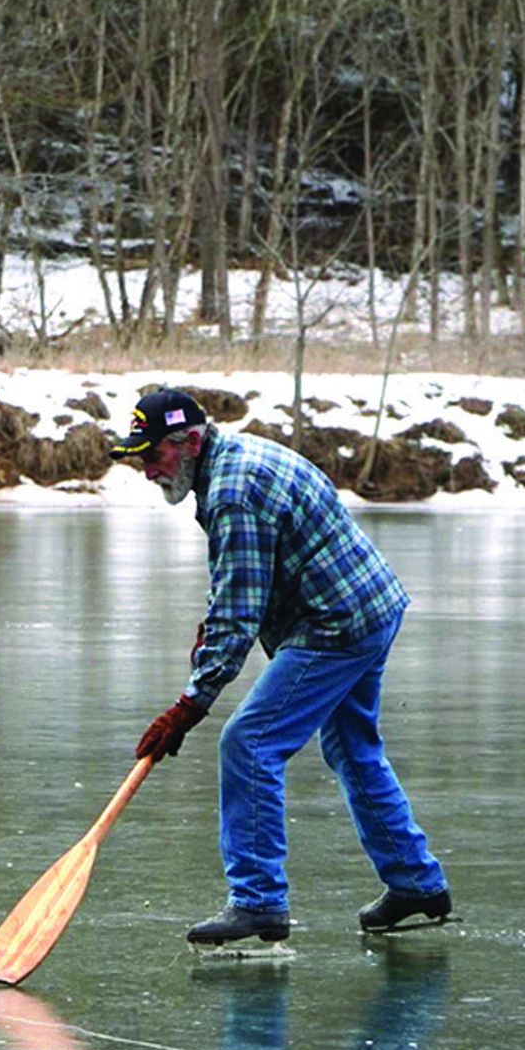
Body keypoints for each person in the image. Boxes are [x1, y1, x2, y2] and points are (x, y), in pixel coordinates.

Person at [110, 388, 452, 947]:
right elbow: (242, 581)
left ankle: (258, 902)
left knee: (248, 744)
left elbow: (239, 612)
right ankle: (416, 883)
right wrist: (216, 623)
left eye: (153, 457)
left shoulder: (232, 492)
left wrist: (189, 706)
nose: (147, 471)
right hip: (370, 606)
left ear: (190, 442)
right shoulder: (233, 460)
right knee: (350, 747)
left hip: (335, 624)